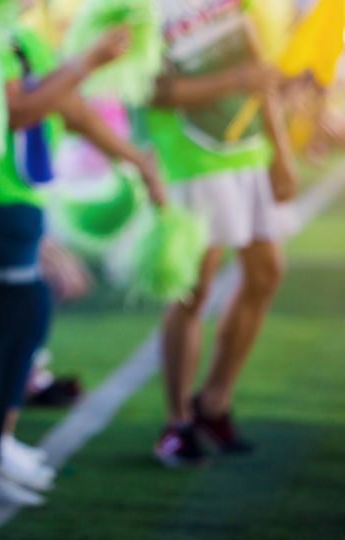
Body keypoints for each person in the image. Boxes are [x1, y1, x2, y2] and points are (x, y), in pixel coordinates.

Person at [0, 9, 166, 504]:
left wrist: (136, 159)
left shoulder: (24, 38)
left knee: (23, 323)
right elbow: (19, 109)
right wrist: (88, 61)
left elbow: (70, 109)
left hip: (19, 199)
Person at [147, 0, 295, 466]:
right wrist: (235, 82)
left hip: (247, 148)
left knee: (266, 272)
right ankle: (176, 424)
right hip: (192, 157)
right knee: (195, 289)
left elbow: (260, 70)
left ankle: (214, 402)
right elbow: (152, 90)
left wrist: (280, 150)